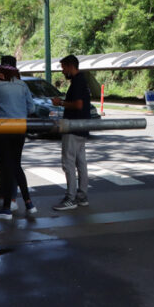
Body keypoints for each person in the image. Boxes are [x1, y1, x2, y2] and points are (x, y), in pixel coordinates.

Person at [0, 60, 38, 219]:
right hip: (20, 130)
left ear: (2, 74)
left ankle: (6, 208)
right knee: (16, 165)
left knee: (5, 168)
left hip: (2, 131)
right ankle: (29, 203)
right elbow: (31, 108)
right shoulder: (22, 85)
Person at [51, 54, 91, 211]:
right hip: (82, 127)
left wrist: (60, 102)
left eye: (63, 68)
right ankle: (82, 196)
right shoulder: (82, 81)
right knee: (81, 162)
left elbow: (78, 104)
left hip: (73, 127)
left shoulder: (78, 82)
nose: (62, 71)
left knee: (68, 162)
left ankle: (71, 198)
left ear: (70, 66)